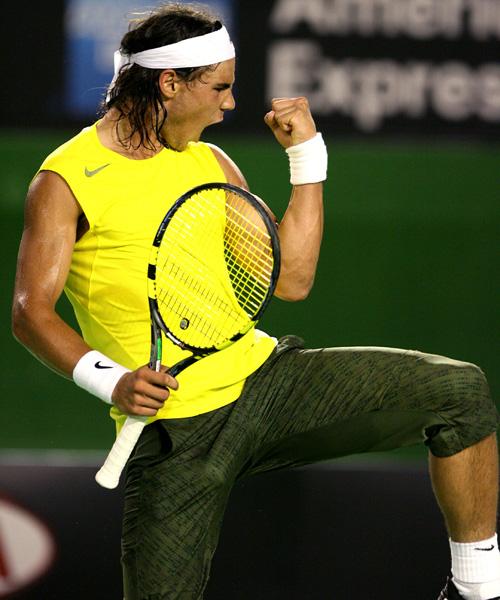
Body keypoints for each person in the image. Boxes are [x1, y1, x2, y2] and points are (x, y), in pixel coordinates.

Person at [11, 3, 499, 600]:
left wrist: (307, 158)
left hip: (267, 384)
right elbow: (31, 312)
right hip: (175, 431)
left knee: (459, 392)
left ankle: (477, 592)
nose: (230, 103)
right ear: (170, 84)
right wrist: (111, 380)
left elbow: (291, 278)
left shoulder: (210, 161)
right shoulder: (65, 179)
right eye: (220, 87)